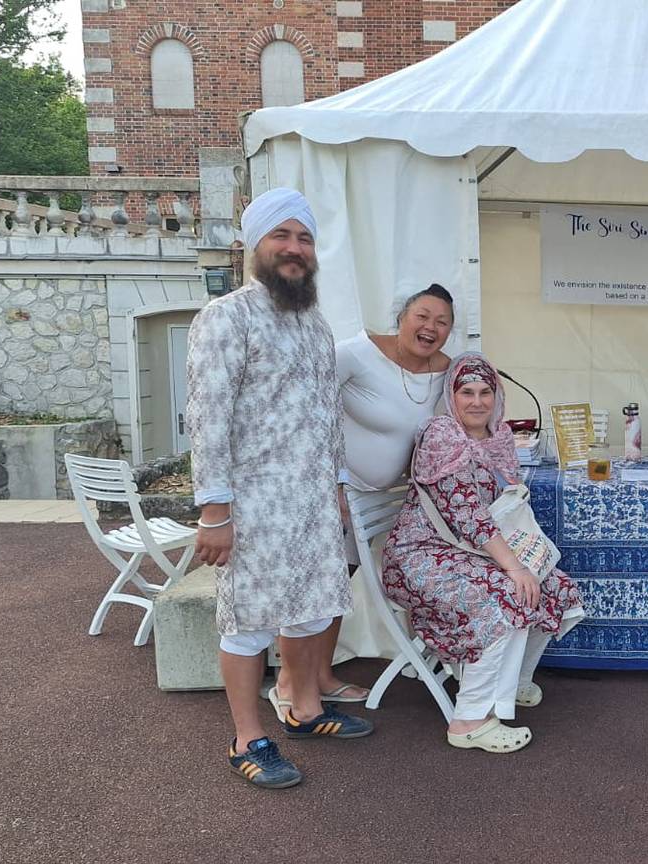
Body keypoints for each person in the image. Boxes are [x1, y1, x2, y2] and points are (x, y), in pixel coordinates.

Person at [186, 186, 373, 790]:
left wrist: (337, 485)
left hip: (312, 502)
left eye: (305, 239)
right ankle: (247, 738)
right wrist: (215, 511)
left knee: (310, 609)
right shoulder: (226, 317)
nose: (295, 248)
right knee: (248, 623)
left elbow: (327, 414)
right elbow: (207, 417)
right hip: (253, 504)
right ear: (254, 245)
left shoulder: (315, 325)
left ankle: (304, 709)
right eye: (282, 236)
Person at [261, 284, 456, 719]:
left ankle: (322, 675)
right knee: (311, 589)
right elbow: (303, 409)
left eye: (442, 322)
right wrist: (331, 481)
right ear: (401, 318)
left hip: (375, 498)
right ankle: (289, 684)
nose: (431, 327)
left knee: (338, 583)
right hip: (325, 491)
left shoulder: (447, 370)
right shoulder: (356, 353)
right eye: (422, 316)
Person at [381, 353, 585, 753]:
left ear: (497, 395)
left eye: (485, 392)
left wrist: (522, 564)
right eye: (466, 392)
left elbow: (498, 506)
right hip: (418, 556)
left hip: (463, 549)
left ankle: (513, 682)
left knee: (555, 585)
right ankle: (470, 720)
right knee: (508, 595)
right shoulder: (443, 437)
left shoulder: (498, 436)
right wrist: (515, 567)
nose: (477, 402)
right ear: (451, 396)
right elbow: (468, 515)